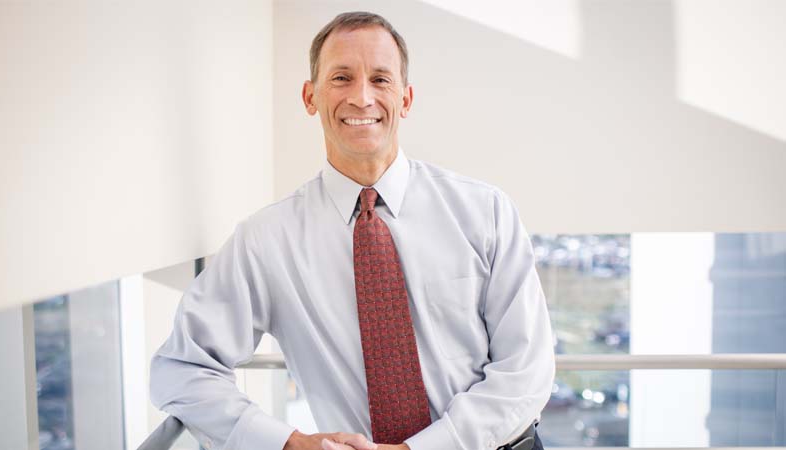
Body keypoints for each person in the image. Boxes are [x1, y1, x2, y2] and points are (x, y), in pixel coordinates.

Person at [150, 11, 555, 450]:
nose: (362, 98)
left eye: (381, 80)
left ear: (405, 99)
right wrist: (288, 442)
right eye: (342, 78)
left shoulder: (485, 211)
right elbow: (181, 368)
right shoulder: (266, 241)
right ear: (310, 96)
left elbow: (526, 370)